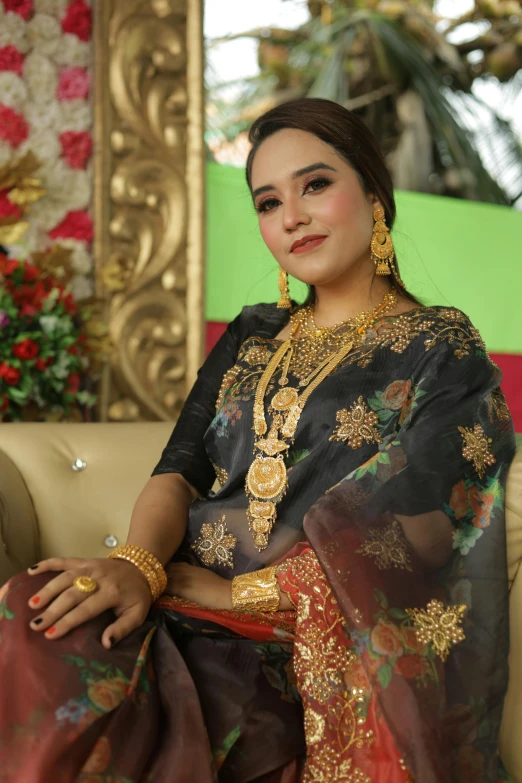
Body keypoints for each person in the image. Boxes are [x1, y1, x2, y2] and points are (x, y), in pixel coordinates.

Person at [0, 98, 516, 783]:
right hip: (179, 600)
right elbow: (177, 471)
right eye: (268, 202)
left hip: (306, 640)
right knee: (36, 613)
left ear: (372, 190)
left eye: (316, 185)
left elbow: (431, 529)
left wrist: (238, 595)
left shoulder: (440, 348)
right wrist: (137, 565)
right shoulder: (253, 335)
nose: (292, 216)